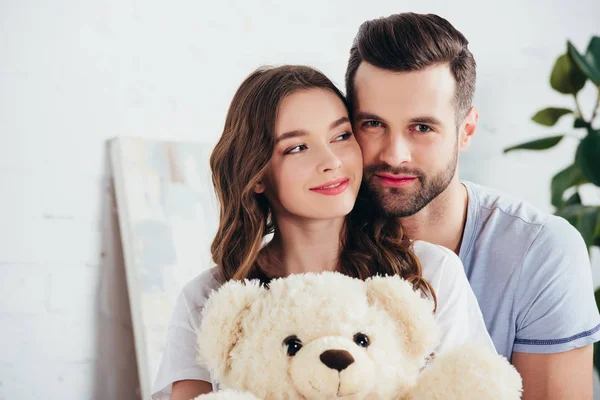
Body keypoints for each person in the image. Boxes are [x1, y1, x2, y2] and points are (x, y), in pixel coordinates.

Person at [151, 65, 495, 400]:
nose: (331, 160)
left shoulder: (430, 275)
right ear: (256, 174)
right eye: (297, 147)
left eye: (341, 135)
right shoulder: (208, 298)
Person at [344, 12, 600, 400]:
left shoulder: (541, 251)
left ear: (466, 131)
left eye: (422, 127)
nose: (395, 155)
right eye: (373, 124)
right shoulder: (317, 237)